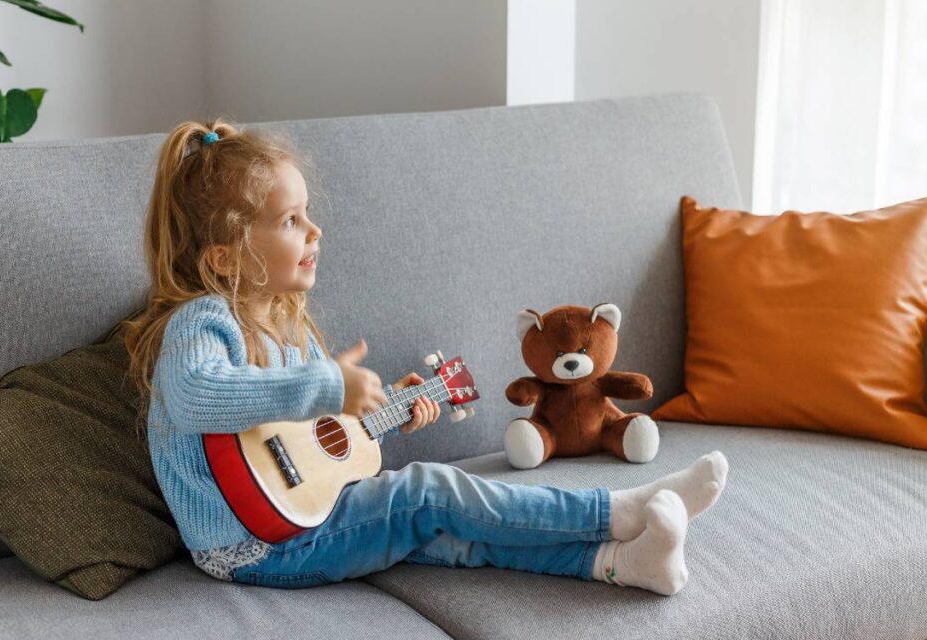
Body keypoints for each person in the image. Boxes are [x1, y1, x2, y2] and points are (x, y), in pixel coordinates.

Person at [121, 119, 730, 596]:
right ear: (225, 258)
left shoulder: (290, 325)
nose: (315, 231)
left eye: (309, 215)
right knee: (429, 493)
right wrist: (329, 385)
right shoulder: (201, 322)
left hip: (307, 514)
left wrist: (379, 420)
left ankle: (624, 563)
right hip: (254, 545)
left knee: (454, 533)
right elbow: (199, 395)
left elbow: (302, 454)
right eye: (290, 220)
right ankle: (617, 510)